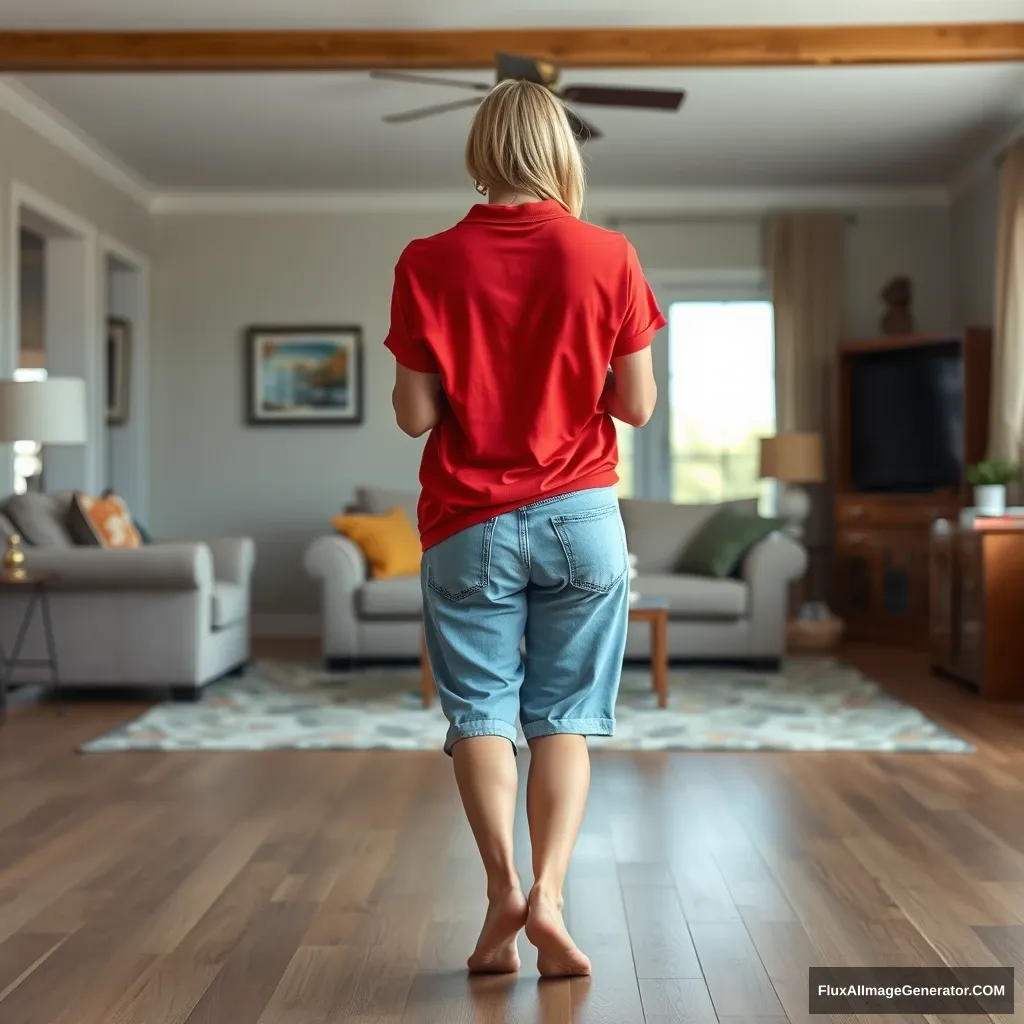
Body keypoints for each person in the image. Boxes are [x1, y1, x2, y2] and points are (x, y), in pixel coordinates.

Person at [385, 78, 664, 978]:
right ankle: (549, 895)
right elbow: (639, 406)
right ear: (560, 152)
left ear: (479, 150)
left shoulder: (426, 260)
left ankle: (503, 888)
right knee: (564, 718)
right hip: (582, 518)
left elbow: (415, 418)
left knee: (481, 714)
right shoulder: (608, 254)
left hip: (468, 522)